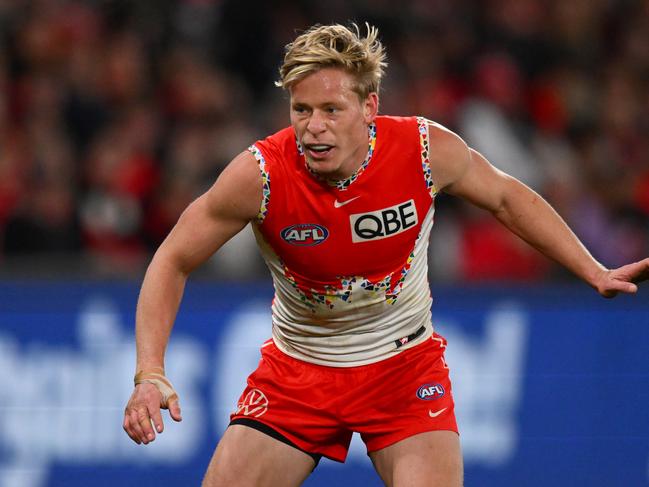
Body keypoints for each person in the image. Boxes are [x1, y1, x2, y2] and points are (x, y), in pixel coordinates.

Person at [123, 23, 649, 487]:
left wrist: (592, 268)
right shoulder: (259, 174)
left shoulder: (424, 151)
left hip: (403, 368)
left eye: (332, 109)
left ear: (369, 107)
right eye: (301, 109)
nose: (314, 126)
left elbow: (509, 198)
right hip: (300, 371)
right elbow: (171, 259)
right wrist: (149, 371)